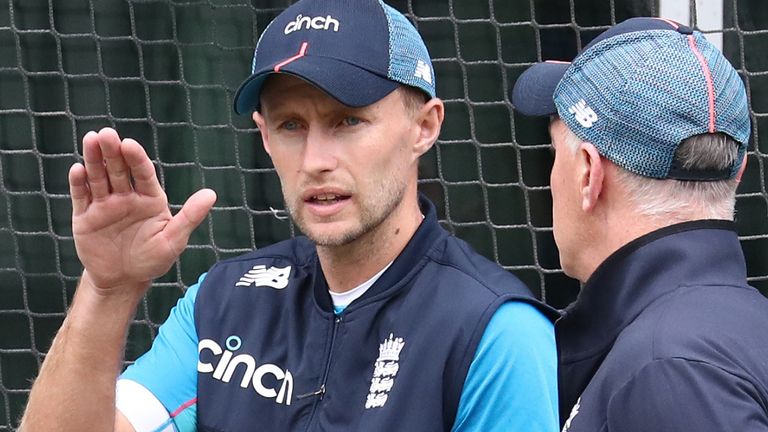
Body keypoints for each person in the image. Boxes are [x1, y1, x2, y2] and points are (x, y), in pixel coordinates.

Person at [21, 0, 560, 430]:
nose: (316, 161)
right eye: (291, 125)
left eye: (348, 121)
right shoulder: (224, 301)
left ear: (424, 126)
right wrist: (107, 291)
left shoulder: (496, 332)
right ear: (264, 135)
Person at [511, 16, 768, 431]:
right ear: (738, 174)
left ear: (587, 174)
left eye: (556, 151)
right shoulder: (737, 330)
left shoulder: (667, 369)